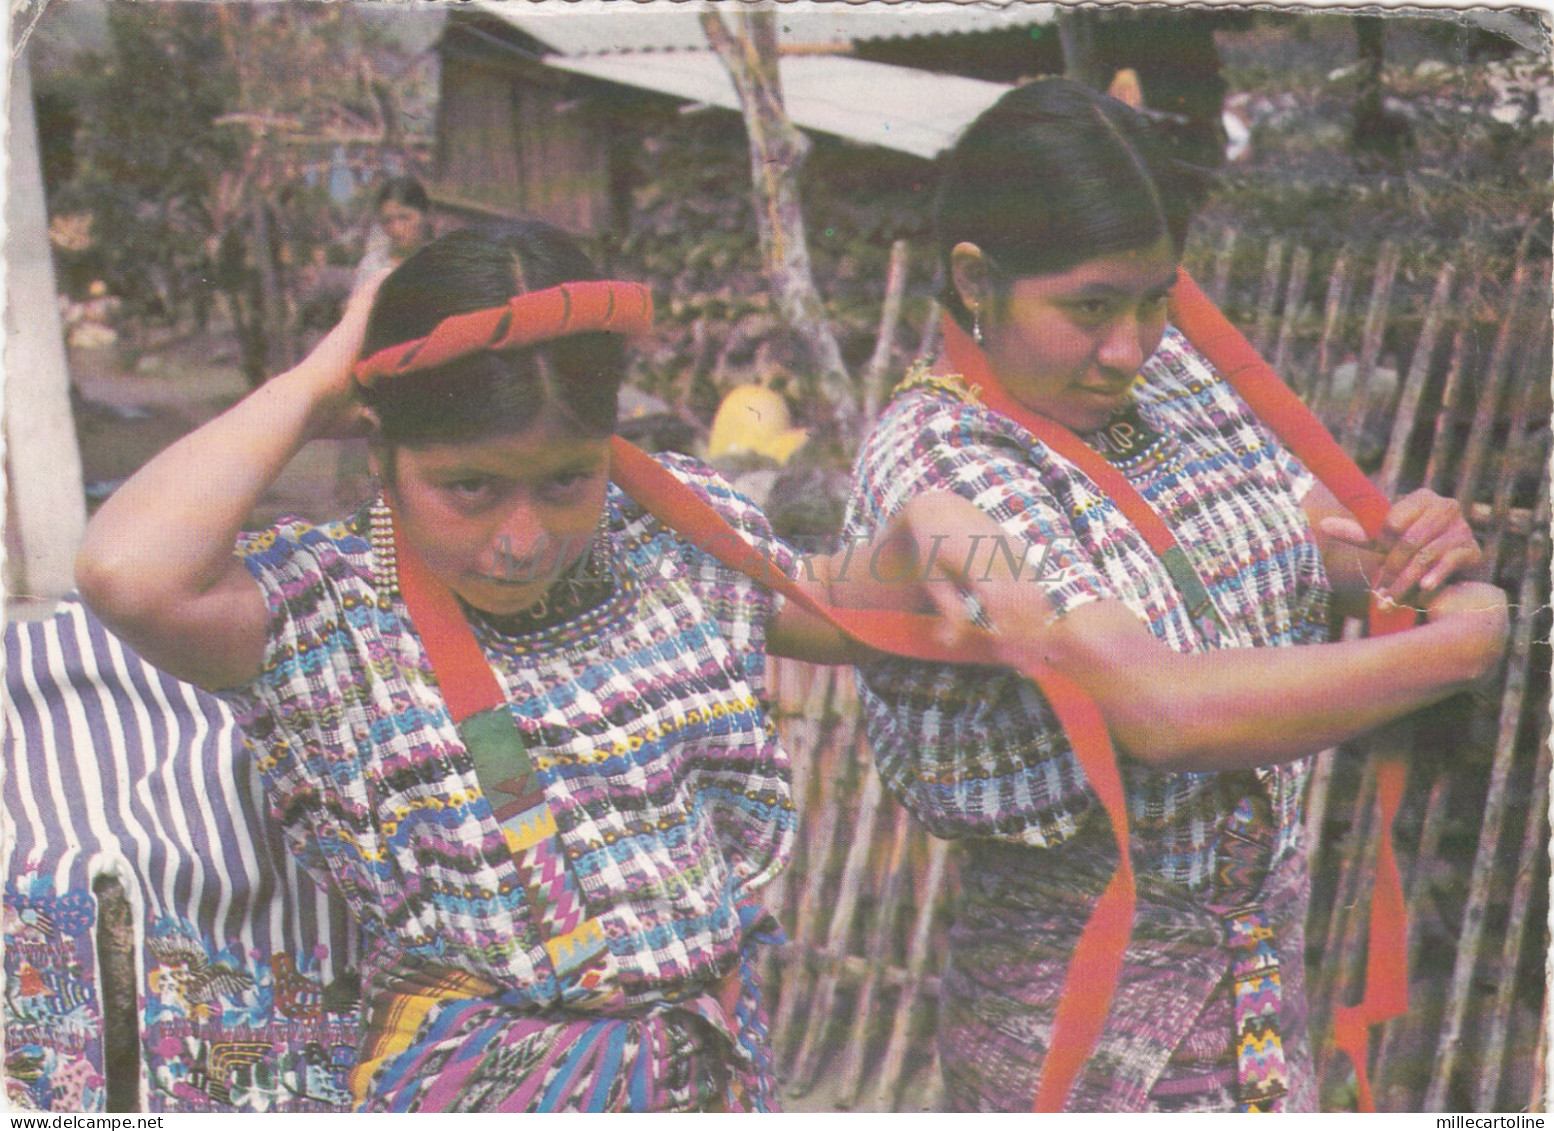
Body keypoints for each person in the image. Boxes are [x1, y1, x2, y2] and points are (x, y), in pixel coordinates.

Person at [74, 218, 1006, 1112]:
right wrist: (323, 379)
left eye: (565, 478)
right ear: (383, 453)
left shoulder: (665, 540)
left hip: (710, 1067)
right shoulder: (336, 621)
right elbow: (127, 571)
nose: (522, 539)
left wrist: (930, 531)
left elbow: (842, 604)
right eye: (470, 486)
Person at [841, 77, 1509, 1113]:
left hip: (1254, 998)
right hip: (1082, 1035)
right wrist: (1458, 643)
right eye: (1090, 307)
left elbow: (1309, 536)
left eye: (1156, 299)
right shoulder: (943, 464)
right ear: (976, 279)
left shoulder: (1169, 377)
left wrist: (1417, 553)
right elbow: (1160, 709)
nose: (1130, 346)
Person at [352, 176, 433, 293]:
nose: (396, 228)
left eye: (404, 217)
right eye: (387, 221)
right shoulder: (373, 264)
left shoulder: (443, 265)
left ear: (426, 215)